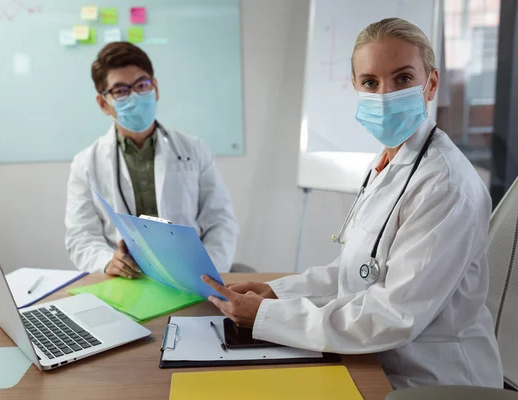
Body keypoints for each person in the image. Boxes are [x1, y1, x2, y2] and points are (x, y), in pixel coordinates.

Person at [202, 18, 503, 388]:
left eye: (403, 79)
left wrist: (268, 315)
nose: (384, 95)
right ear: (356, 88)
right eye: (371, 82)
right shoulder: (390, 163)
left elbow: (393, 315)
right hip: (375, 358)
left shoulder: (445, 183)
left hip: (432, 380)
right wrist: (278, 292)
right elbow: (361, 272)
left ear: (432, 83)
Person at [65, 42, 238, 277]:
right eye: (121, 91)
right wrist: (108, 262)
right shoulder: (86, 163)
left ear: (155, 88)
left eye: (141, 85)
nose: (135, 97)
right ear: (103, 103)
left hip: (191, 277)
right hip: (126, 280)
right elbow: (81, 236)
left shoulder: (193, 149)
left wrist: (208, 271)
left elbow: (221, 221)